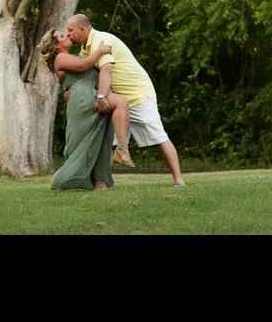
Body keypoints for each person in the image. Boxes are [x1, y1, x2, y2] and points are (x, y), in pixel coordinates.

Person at [66, 13, 185, 187]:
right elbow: (84, 73)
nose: (68, 34)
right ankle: (102, 184)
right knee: (104, 140)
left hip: (138, 95)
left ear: (82, 29)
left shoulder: (101, 40)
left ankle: (178, 180)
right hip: (118, 101)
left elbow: (106, 71)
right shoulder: (86, 49)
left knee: (158, 137)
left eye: (70, 31)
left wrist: (100, 97)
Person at [39, 29, 116, 191]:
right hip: (83, 100)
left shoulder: (75, 55)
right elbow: (83, 66)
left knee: (100, 136)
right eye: (62, 36)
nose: (67, 35)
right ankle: (67, 178)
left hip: (90, 95)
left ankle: (100, 181)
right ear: (56, 46)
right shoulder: (60, 58)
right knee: (83, 140)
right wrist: (100, 51)